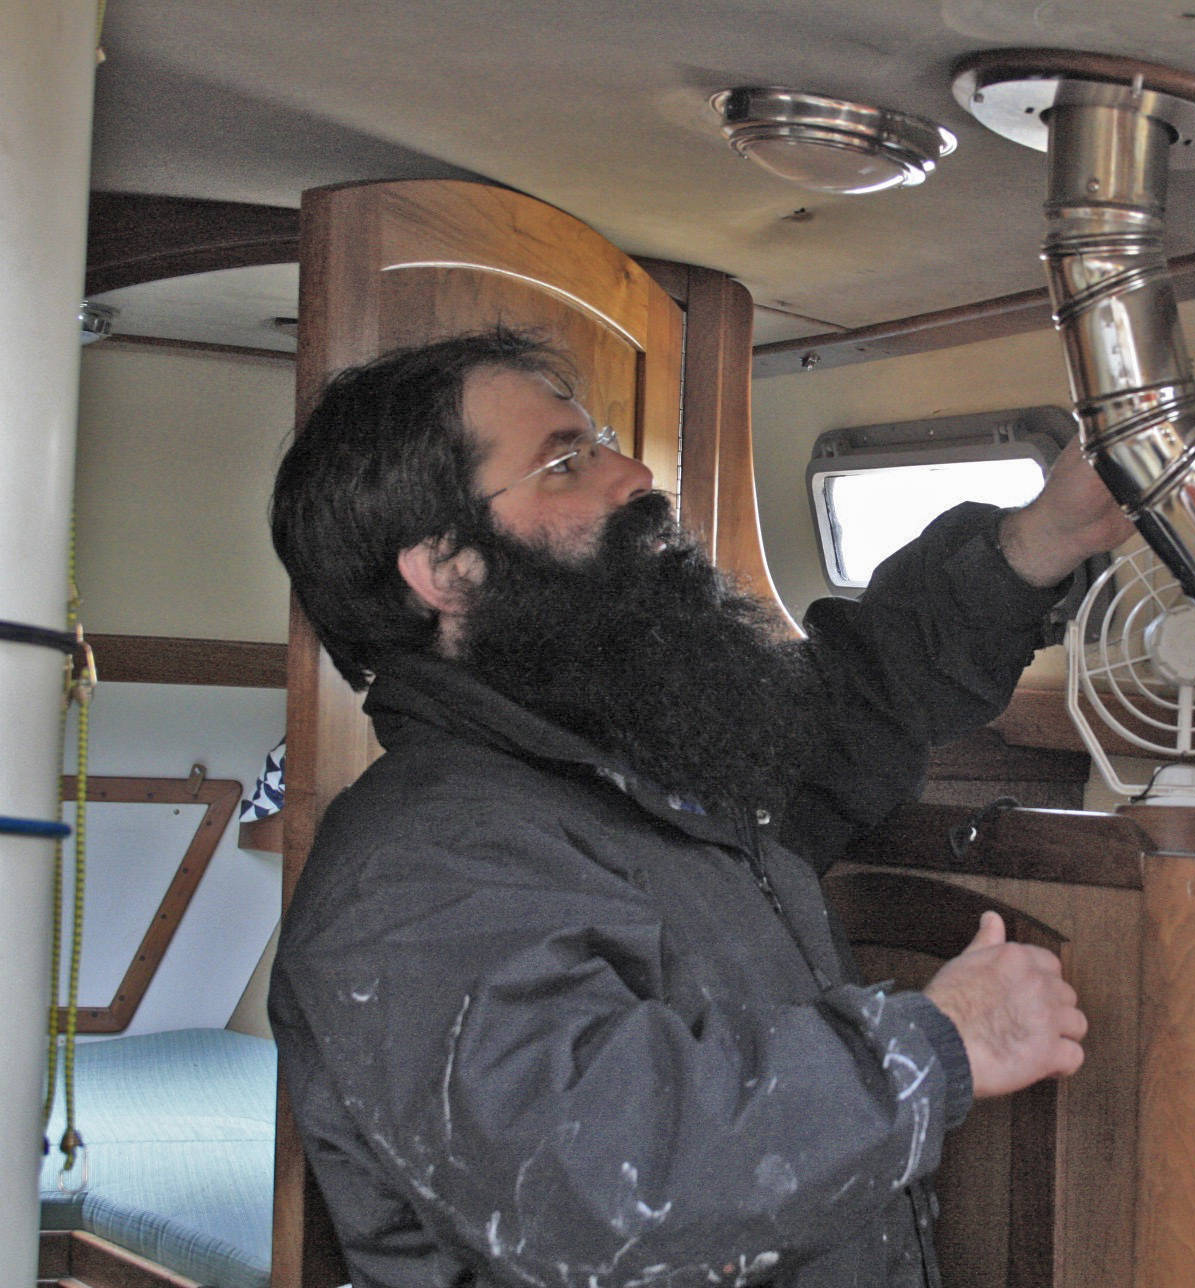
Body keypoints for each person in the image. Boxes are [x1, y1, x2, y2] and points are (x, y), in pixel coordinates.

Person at [266, 328, 1135, 1288]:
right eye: (566, 462)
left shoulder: (635, 770)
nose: (635, 475)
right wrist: (937, 1045)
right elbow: (594, 1180)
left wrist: (1042, 540)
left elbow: (847, 707)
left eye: (602, 443)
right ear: (448, 569)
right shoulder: (416, 865)